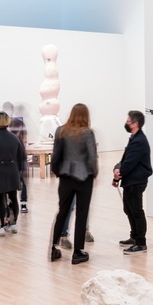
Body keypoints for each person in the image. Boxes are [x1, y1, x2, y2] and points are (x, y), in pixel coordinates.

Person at [49, 103, 99, 264]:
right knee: (81, 213)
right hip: (84, 177)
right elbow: (92, 157)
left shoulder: (61, 131)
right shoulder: (87, 133)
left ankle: (54, 248)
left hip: (65, 176)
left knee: (62, 211)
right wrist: (95, 172)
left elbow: (56, 153)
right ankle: (78, 252)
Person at [115, 110, 152, 255]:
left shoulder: (139, 141)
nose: (126, 123)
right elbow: (125, 159)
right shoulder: (134, 138)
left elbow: (129, 163)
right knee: (129, 209)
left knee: (136, 211)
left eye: (128, 121)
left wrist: (119, 173)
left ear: (135, 124)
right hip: (130, 181)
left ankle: (141, 243)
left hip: (136, 182)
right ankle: (134, 237)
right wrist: (117, 171)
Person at [3, 102, 30, 213]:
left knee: (21, 180)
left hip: (17, 155)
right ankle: (16, 204)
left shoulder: (16, 123)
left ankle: (21, 204)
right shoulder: (10, 124)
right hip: (13, 155)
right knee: (16, 180)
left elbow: (24, 139)